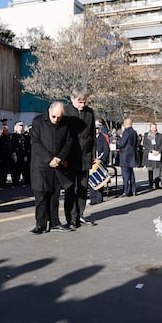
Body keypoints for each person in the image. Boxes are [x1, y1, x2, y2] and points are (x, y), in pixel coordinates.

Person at [29, 102, 73, 234]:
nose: (56, 120)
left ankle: (54, 222)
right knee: (41, 196)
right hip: (41, 165)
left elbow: (68, 142)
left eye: (59, 117)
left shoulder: (65, 123)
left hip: (57, 165)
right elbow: (36, 143)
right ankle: (40, 224)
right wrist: (50, 159)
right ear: (49, 112)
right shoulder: (38, 121)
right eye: (54, 117)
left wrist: (59, 158)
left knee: (54, 196)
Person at [63, 87, 96, 228]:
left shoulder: (90, 113)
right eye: (79, 102)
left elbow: (92, 135)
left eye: (84, 102)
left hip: (85, 155)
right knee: (71, 188)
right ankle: (71, 217)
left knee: (83, 187)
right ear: (72, 99)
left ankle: (80, 215)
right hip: (70, 156)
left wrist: (93, 154)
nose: (82, 105)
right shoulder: (66, 112)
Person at [90, 121, 110, 205]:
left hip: (100, 162)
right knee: (91, 181)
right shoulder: (90, 137)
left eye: (97, 129)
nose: (96, 130)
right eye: (95, 129)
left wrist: (101, 160)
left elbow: (106, 150)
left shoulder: (102, 138)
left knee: (99, 180)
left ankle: (99, 198)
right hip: (92, 162)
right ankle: (93, 199)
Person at [117, 117, 138, 196]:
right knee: (131, 173)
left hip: (125, 155)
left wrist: (117, 144)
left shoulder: (126, 132)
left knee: (125, 174)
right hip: (132, 154)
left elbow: (122, 143)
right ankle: (134, 190)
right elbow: (136, 143)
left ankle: (126, 191)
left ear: (125, 124)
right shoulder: (134, 132)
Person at [142, 123, 162, 189]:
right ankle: (150, 184)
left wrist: (158, 151)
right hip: (150, 154)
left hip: (157, 154)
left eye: (155, 127)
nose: (154, 129)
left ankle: (157, 184)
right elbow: (145, 144)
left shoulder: (159, 135)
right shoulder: (146, 135)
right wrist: (151, 150)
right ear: (150, 128)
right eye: (152, 127)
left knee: (157, 169)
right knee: (150, 169)